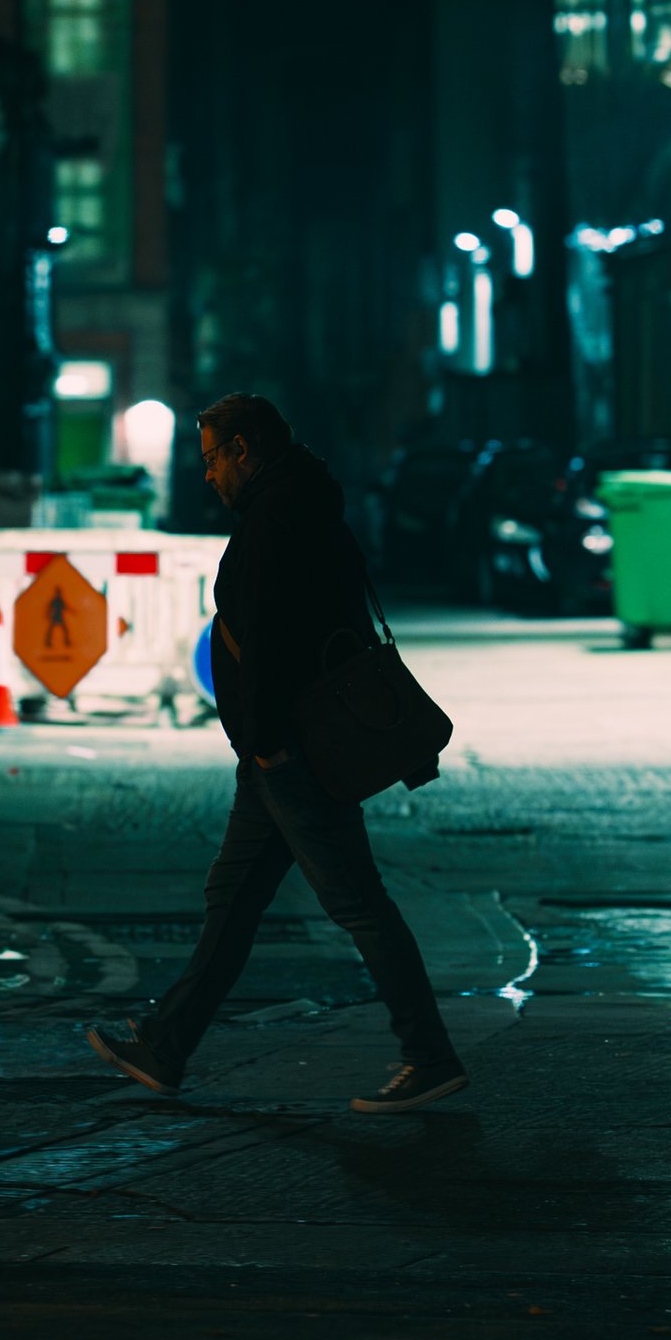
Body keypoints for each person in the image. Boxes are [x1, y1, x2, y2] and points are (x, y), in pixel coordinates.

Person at [90, 393, 468, 1112]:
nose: (206, 477)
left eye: (211, 460)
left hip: (291, 752)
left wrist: (265, 746)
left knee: (357, 904)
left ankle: (429, 1054)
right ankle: (166, 1046)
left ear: (243, 449)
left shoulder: (278, 518)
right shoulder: (305, 502)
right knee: (231, 901)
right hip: (278, 752)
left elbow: (272, 642)